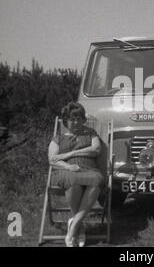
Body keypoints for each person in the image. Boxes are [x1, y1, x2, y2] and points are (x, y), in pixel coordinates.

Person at [48, 102, 104, 247]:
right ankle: (79, 227)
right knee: (73, 180)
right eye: (72, 119)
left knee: (97, 181)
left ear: (83, 119)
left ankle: (74, 225)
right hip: (66, 171)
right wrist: (68, 165)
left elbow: (96, 150)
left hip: (89, 170)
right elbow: (53, 160)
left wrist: (70, 153)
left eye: (79, 118)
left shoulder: (91, 133)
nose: (76, 122)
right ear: (65, 120)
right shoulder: (58, 138)